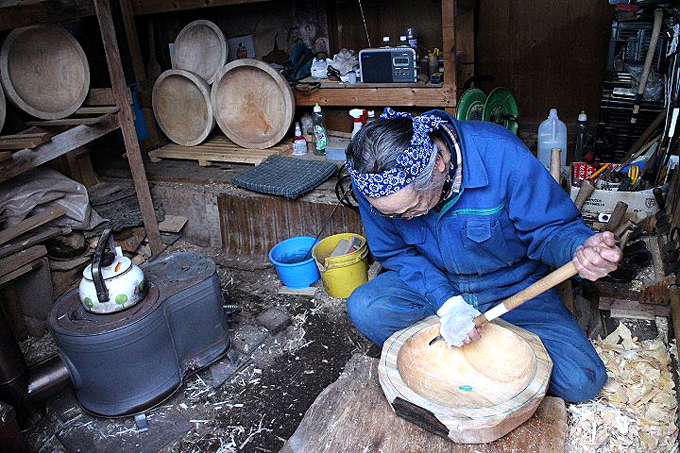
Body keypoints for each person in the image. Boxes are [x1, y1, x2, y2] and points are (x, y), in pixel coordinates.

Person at [344, 107, 622, 403]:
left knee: (582, 381)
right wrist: (448, 303)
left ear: (438, 164)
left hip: (513, 287)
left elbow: (551, 229)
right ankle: (455, 350)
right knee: (366, 307)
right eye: (395, 215)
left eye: (414, 208)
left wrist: (581, 248)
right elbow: (395, 252)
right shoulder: (374, 183)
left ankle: (490, 355)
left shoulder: (501, 155)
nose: (406, 218)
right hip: (435, 283)